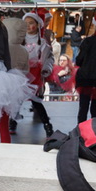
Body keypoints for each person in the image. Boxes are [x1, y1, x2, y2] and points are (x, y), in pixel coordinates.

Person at [22, 9, 55, 137]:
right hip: (21, 73)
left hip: (35, 74)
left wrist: (46, 68)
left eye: (31, 23)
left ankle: (47, 125)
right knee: (17, 100)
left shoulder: (42, 43)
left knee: (36, 101)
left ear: (37, 24)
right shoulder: (20, 40)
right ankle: (12, 121)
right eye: (26, 23)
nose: (28, 26)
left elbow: (48, 57)